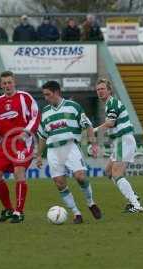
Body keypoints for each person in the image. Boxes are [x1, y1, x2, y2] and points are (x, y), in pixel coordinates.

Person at [36, 81, 102, 224]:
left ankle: (90, 203)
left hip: (70, 147)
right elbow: (42, 136)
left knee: (80, 177)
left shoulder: (73, 107)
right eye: (44, 95)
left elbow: (88, 126)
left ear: (57, 92)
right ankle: (76, 213)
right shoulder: (45, 112)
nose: (46, 98)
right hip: (53, 150)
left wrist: (94, 144)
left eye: (48, 94)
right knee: (60, 183)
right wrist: (39, 155)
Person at [0, 71, 40, 223]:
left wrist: (26, 134)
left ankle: (19, 211)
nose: (7, 86)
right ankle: (8, 209)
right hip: (5, 143)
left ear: (14, 82)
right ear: (0, 85)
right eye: (4, 83)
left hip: (21, 141)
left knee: (19, 172)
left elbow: (35, 116)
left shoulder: (25, 97)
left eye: (9, 82)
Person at [95, 78, 143, 213]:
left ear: (109, 90)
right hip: (120, 141)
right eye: (98, 89)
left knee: (116, 173)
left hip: (124, 139)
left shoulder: (112, 103)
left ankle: (136, 205)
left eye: (103, 89)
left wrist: (93, 131)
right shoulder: (109, 104)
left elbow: (110, 123)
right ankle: (133, 197)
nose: (100, 92)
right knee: (108, 171)